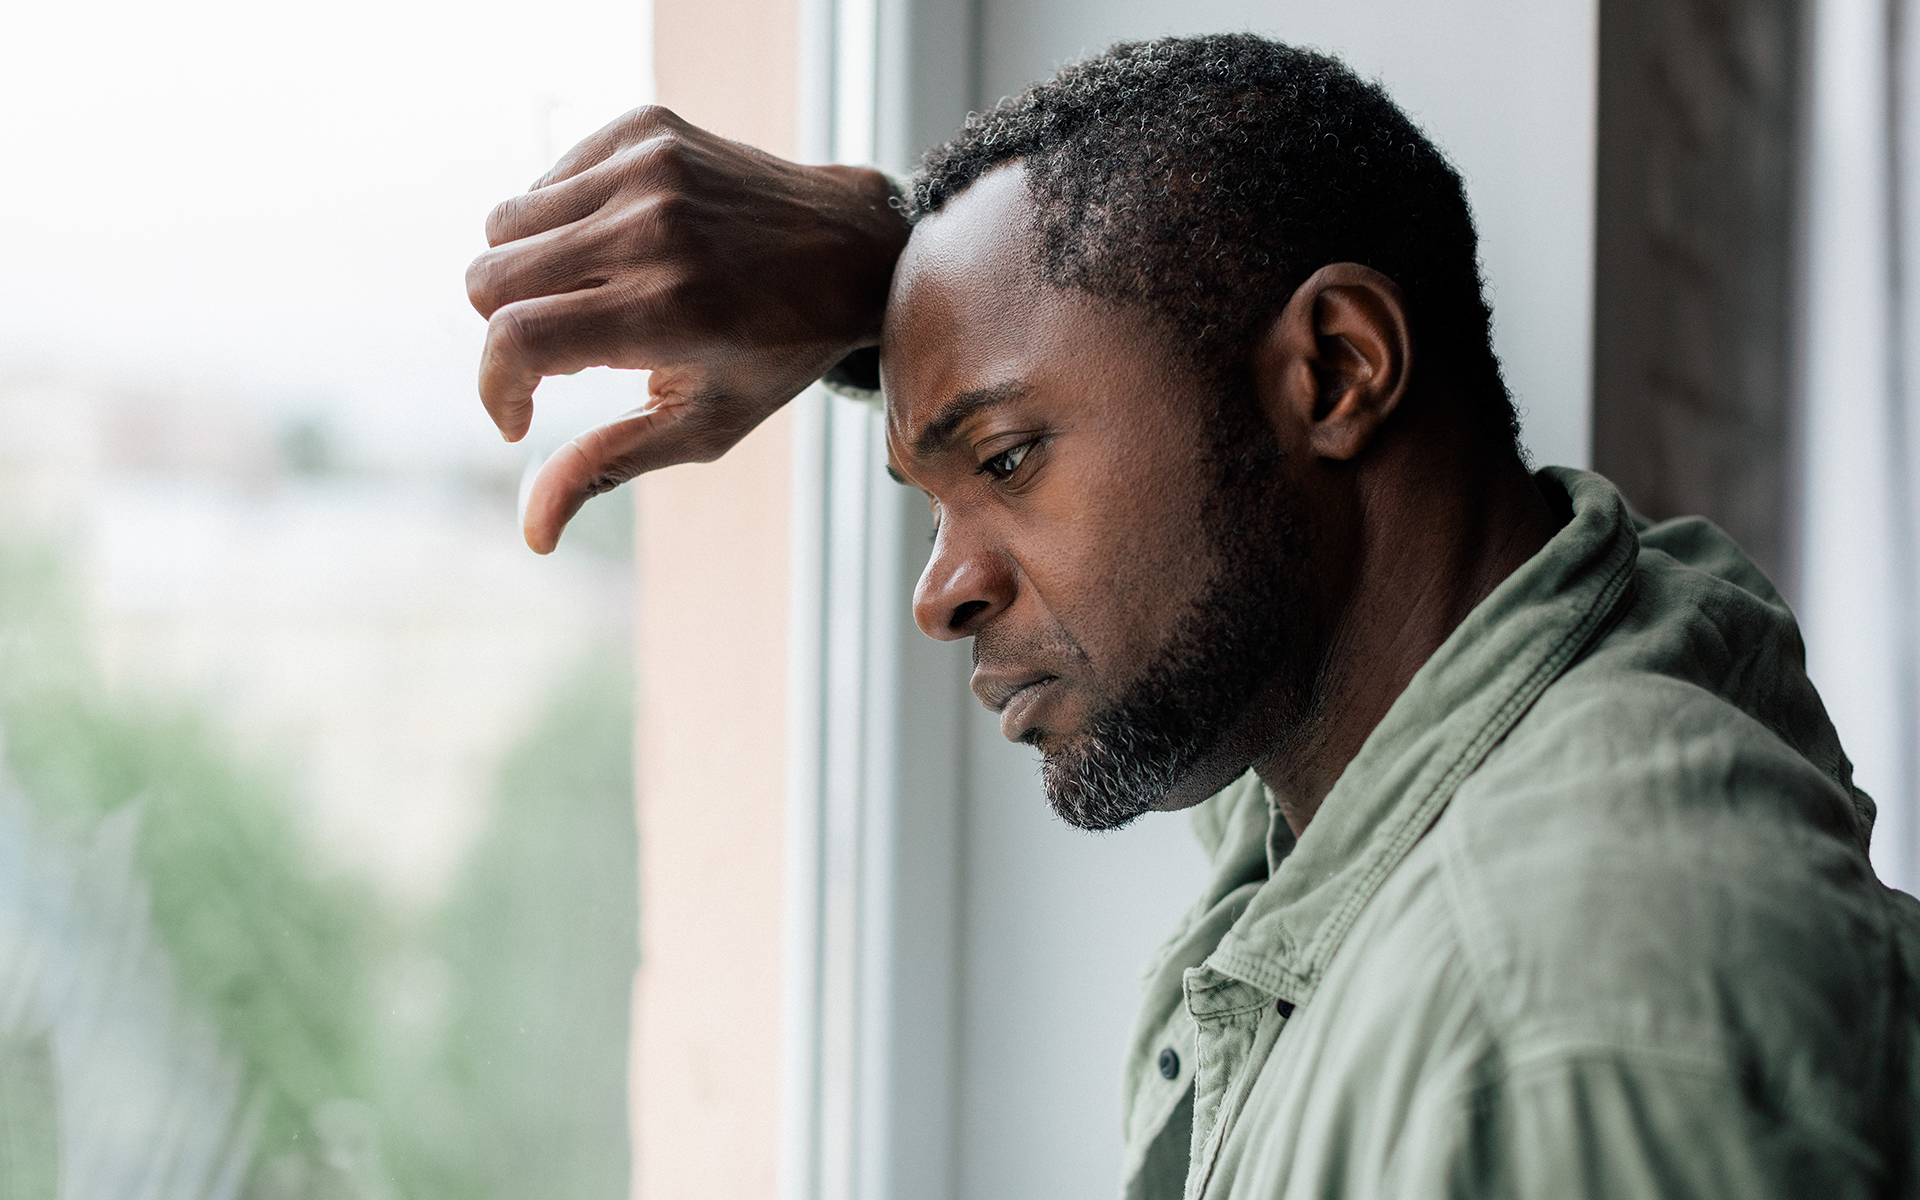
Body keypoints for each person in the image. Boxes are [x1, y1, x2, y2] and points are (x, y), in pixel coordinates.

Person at [467, 33, 1920, 1199]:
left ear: (1336, 373)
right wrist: (887, 269)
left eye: (1007, 460)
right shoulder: (1422, 720)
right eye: (932, 499)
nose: (941, 591)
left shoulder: (1561, 1020)